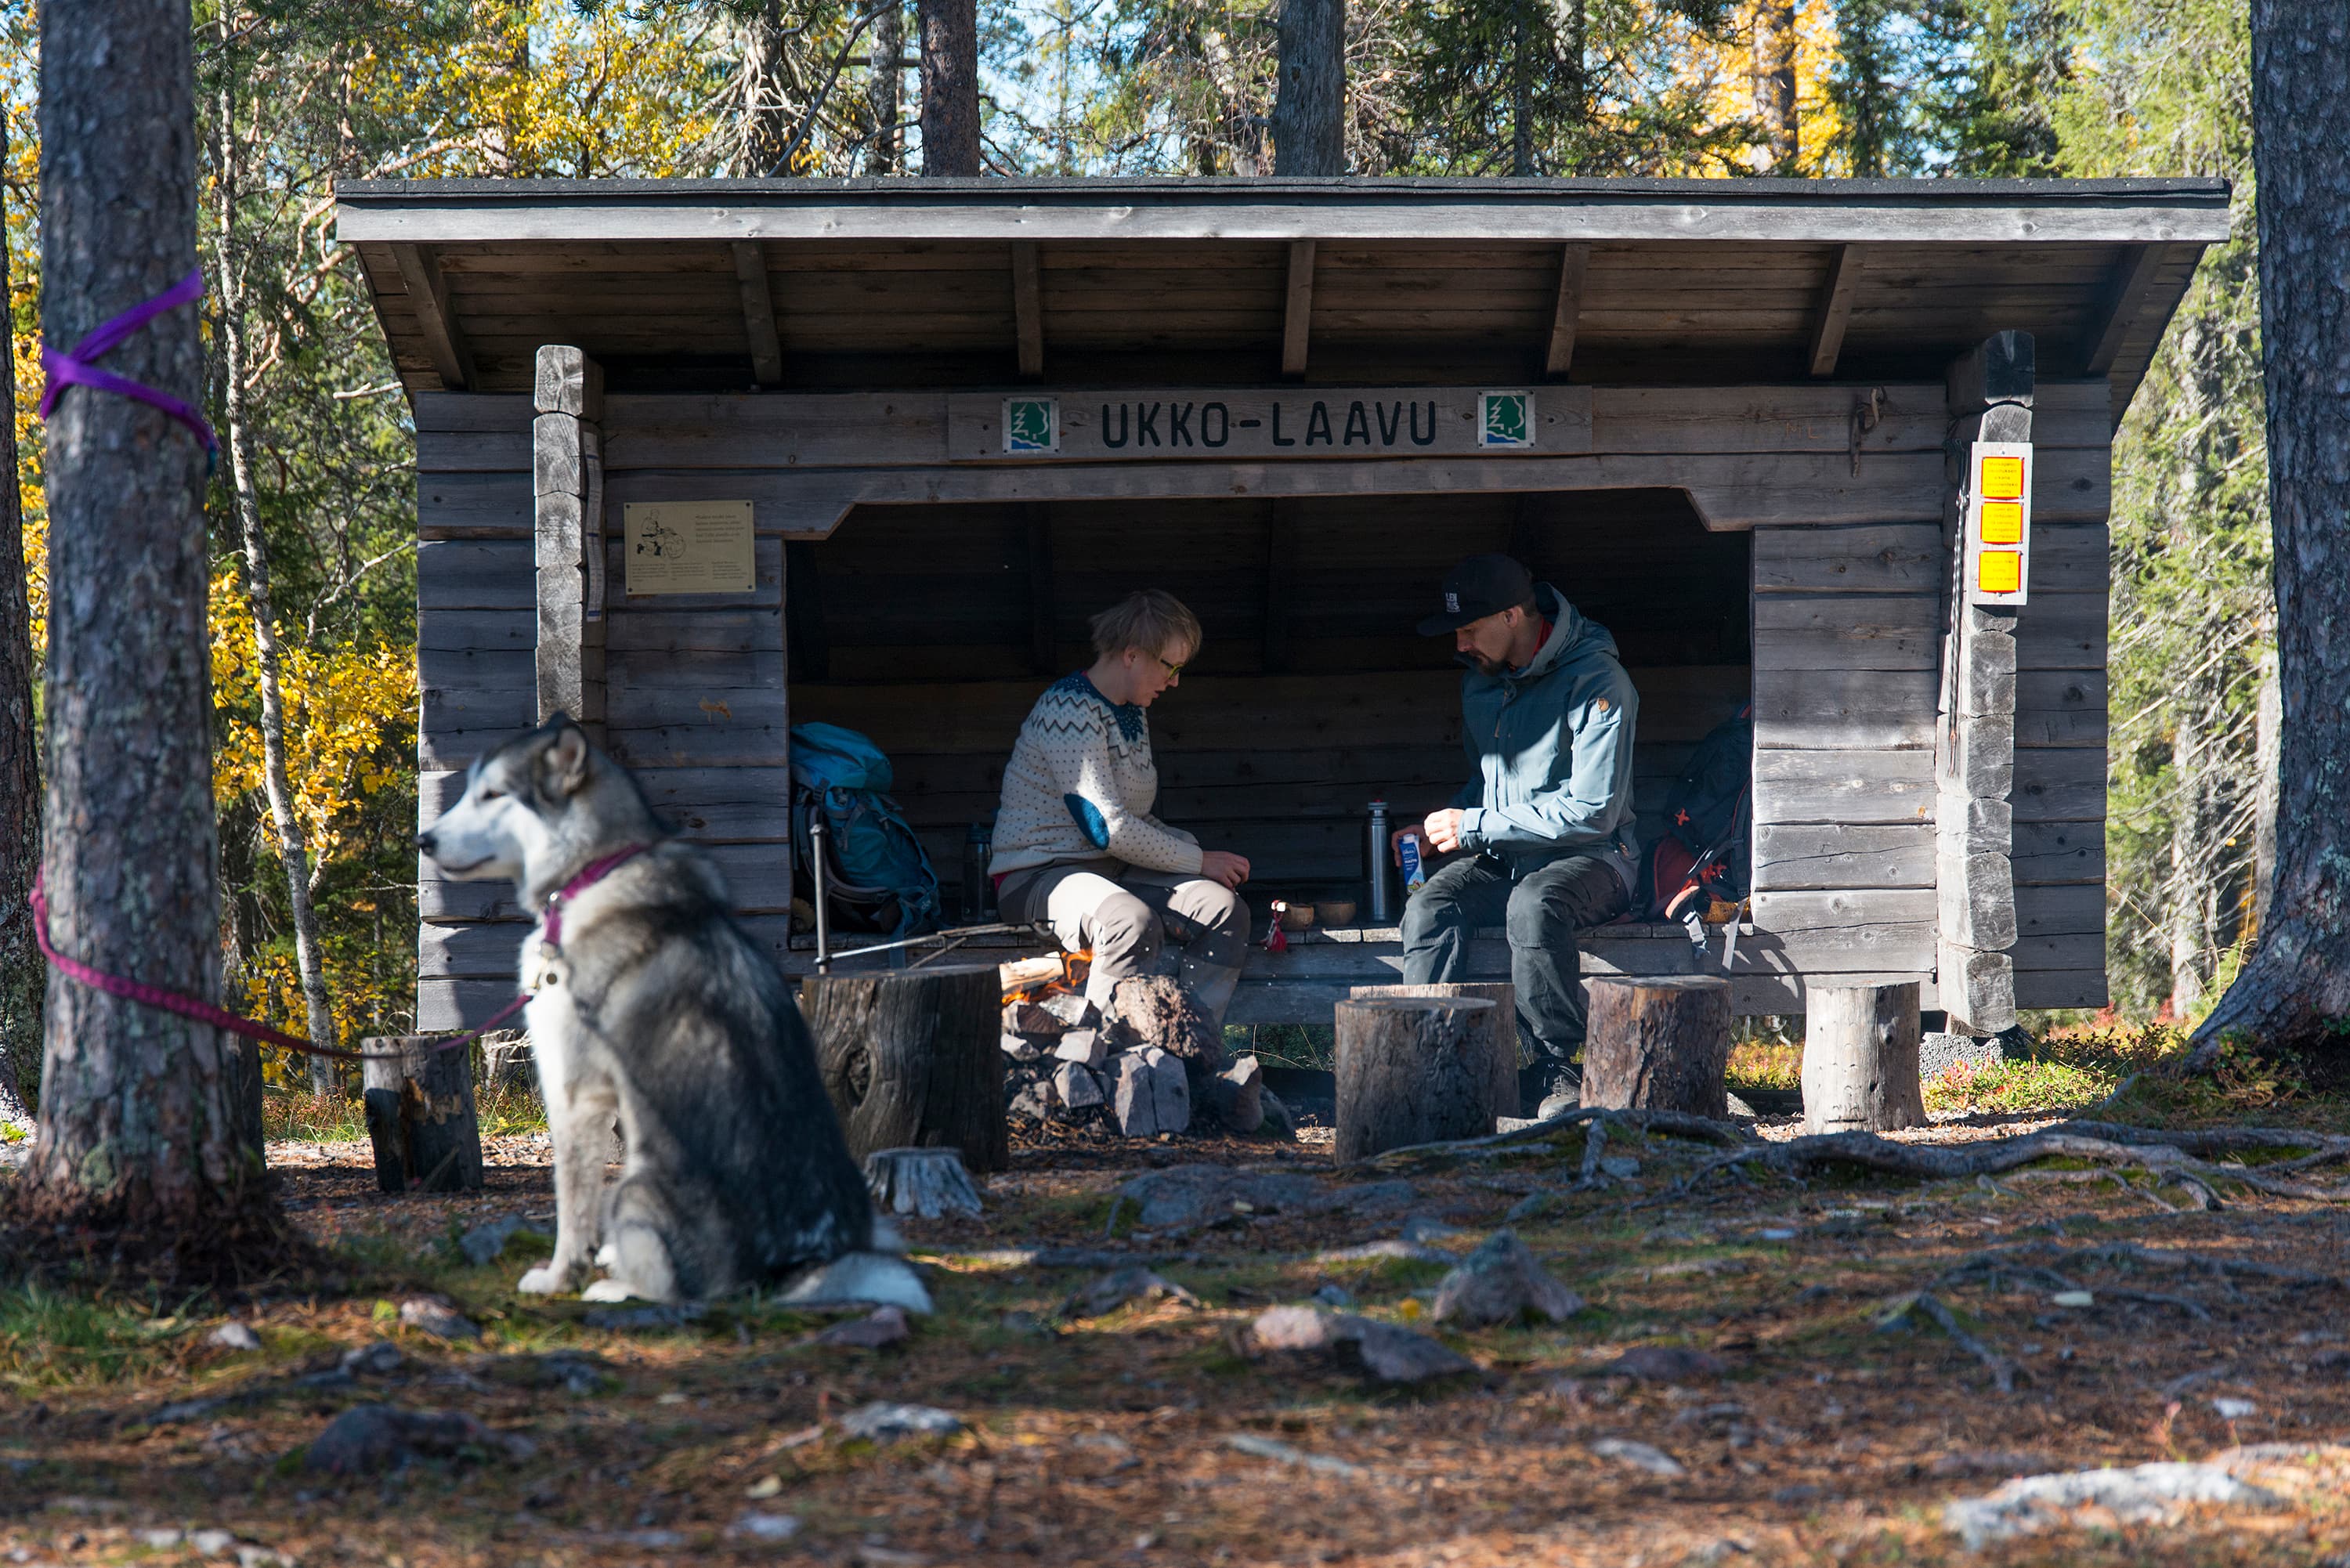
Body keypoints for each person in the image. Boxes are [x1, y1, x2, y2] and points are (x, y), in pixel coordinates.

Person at [1397, 553, 1639, 1118]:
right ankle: (1425, 1061)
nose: (1460, 645)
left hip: (1597, 859)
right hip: (1508, 854)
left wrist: (1474, 826)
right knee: (1430, 904)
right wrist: (1443, 824)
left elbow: (1593, 811)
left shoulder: (1599, 681)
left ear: (1512, 616)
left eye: (1469, 630)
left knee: (1533, 906)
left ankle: (1557, 1068)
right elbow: (1493, 783)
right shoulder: (1482, 686)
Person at [990, 590, 1253, 1026]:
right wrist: (1198, 859)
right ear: (1132, 656)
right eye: (1171, 667)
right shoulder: (1068, 709)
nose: (1174, 682)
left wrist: (1188, 851)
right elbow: (1105, 826)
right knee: (1130, 921)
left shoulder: (1130, 711)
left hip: (1110, 869)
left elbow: (1133, 820)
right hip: (1036, 876)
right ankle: (1107, 1061)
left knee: (1224, 910)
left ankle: (1187, 1047)